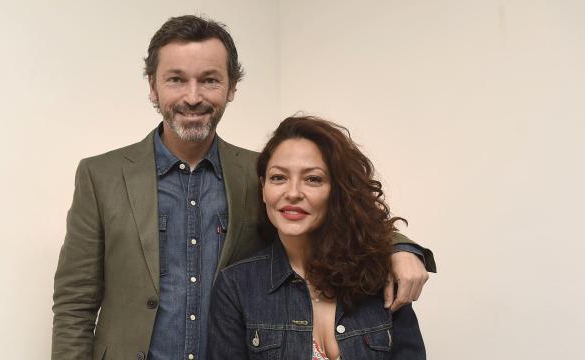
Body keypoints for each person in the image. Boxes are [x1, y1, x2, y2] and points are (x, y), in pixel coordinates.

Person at [52, 15, 435, 360]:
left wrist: (400, 248)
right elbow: (74, 304)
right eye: (176, 79)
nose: (193, 96)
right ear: (152, 86)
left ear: (231, 87)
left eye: (210, 80)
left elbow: (336, 213)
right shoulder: (100, 175)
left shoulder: (264, 173)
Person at [207, 116, 426, 359]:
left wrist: (403, 249)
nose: (292, 193)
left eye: (313, 179)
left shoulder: (381, 276)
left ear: (337, 191)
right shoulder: (236, 286)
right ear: (263, 188)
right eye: (278, 177)